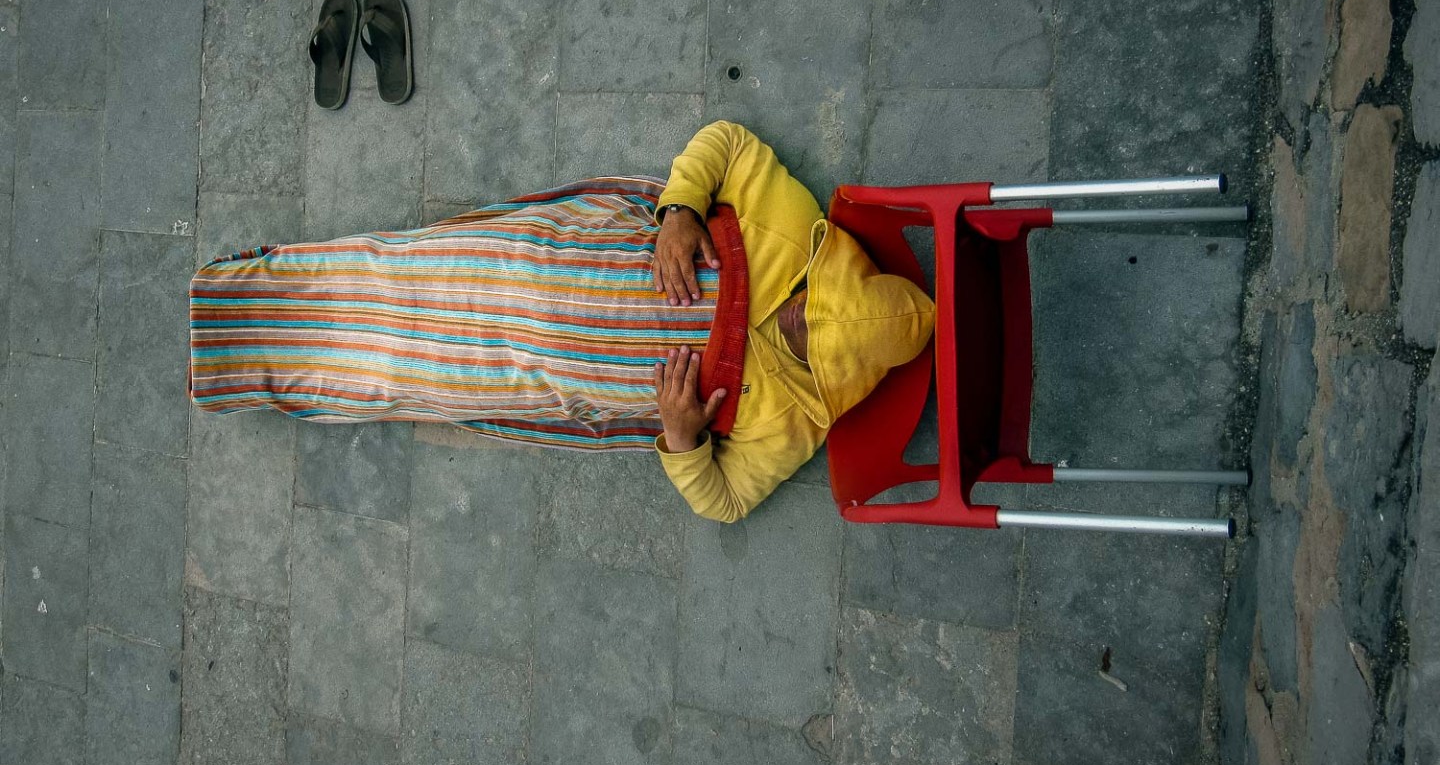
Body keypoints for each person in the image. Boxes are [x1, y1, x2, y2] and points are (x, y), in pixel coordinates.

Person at [190, 121, 935, 521]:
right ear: (827, 273)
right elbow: (728, 142)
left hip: (526, 373)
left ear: (828, 376)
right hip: (533, 263)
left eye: (805, 337)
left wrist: (683, 439)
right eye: (808, 303)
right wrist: (679, 211)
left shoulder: (795, 421)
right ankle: (237, 293)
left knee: (396, 370)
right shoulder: (792, 225)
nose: (794, 318)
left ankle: (243, 371)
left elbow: (727, 501)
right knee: (398, 271)